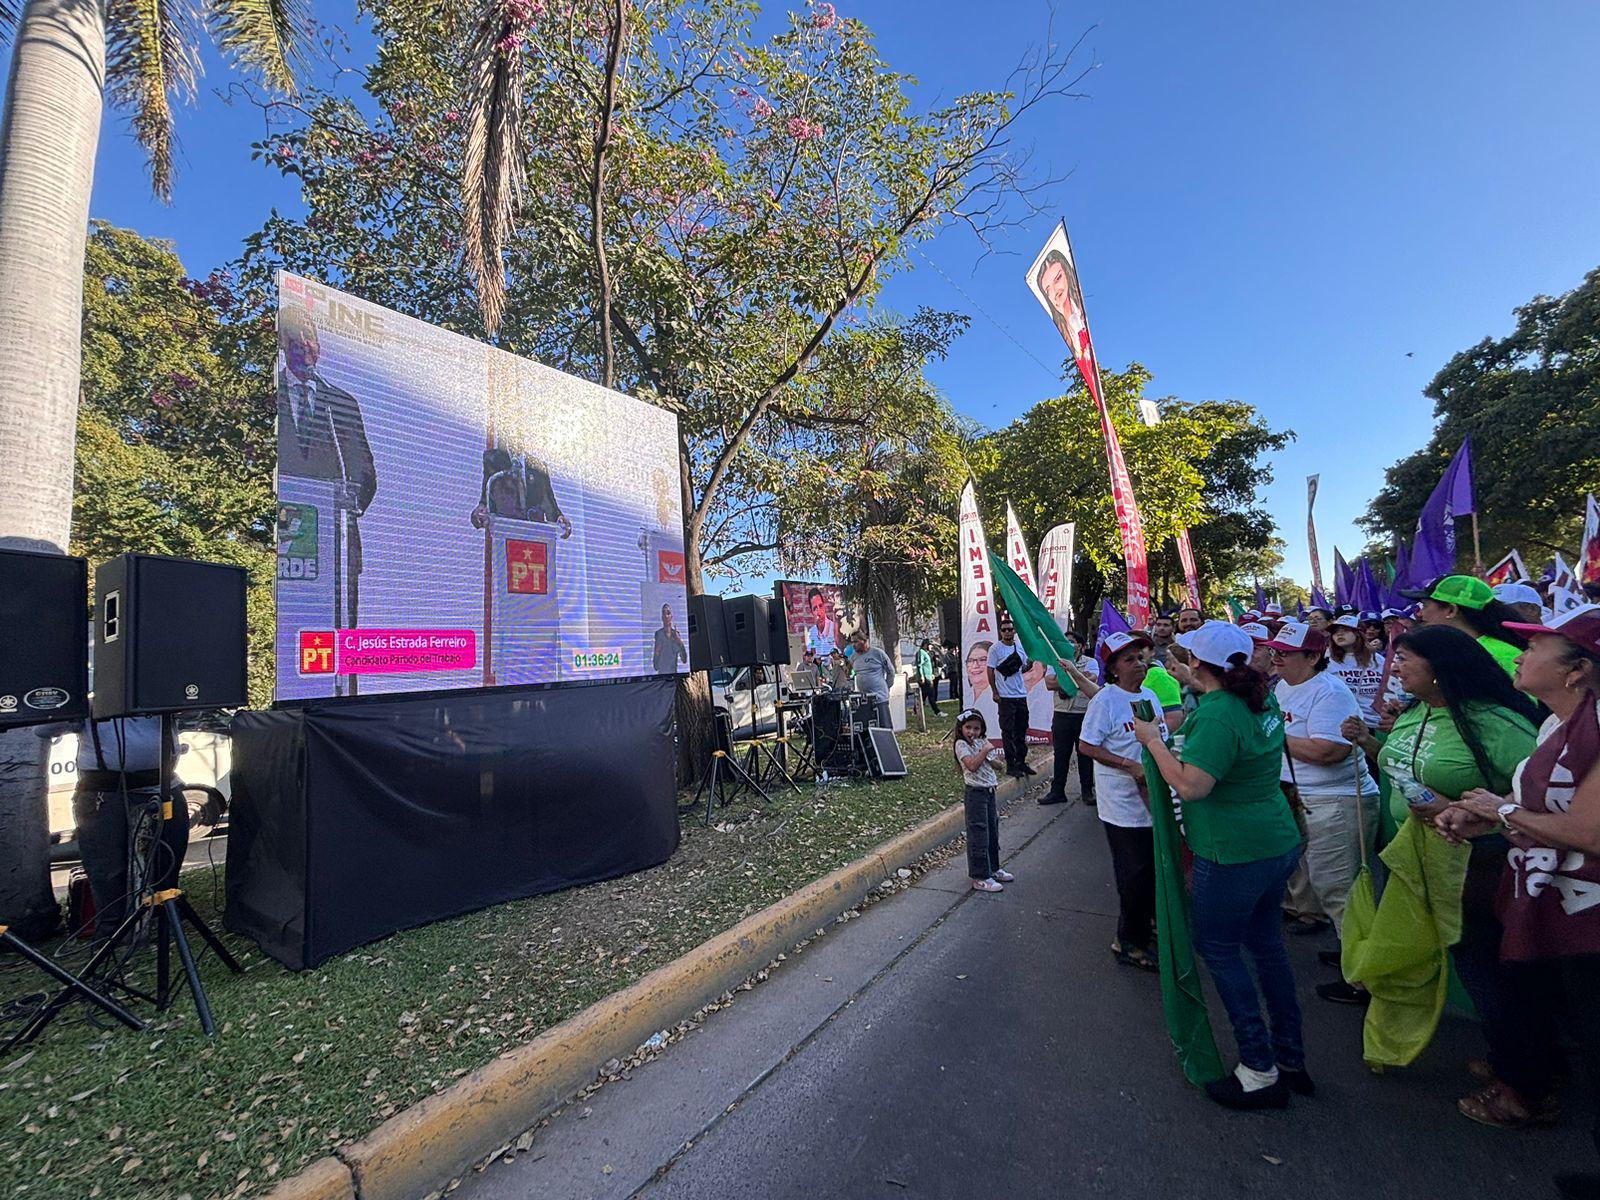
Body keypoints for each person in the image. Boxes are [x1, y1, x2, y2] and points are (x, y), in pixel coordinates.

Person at [1434, 606, 1600, 1181]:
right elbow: (1541, 809)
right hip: (1553, 898)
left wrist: (1498, 809)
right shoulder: (1555, 723)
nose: (1520, 655)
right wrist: (1487, 821)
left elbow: (1588, 831)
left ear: (1577, 670)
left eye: (1536, 649)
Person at [1342, 626, 1539, 1070]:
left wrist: (1473, 809)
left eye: (1407, 658)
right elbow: (1399, 762)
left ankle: (1523, 1075)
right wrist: (1369, 742)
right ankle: (1507, 1054)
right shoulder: (1417, 711)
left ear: (1440, 668)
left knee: (1485, 968)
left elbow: (1542, 795)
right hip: (1411, 859)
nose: (1395, 666)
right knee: (1431, 957)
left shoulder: (1496, 722)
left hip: (1477, 865)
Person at [1133, 621, 1308, 1109]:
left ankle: (1258, 1067)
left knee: (1221, 949)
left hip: (1233, 851)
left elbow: (1191, 786)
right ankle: (1290, 1057)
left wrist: (1153, 741)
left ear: (1196, 664)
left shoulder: (1218, 715)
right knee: (1268, 946)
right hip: (1276, 840)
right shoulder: (1260, 697)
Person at [1267, 622, 1381, 1004]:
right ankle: (1352, 952)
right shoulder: (1285, 686)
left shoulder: (1329, 692)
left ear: (1313, 657)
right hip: (1305, 796)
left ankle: (1365, 981)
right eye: (1275, 651)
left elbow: (1328, 751)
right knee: (1323, 884)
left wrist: (1270, 736)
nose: (1276, 657)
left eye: (1285, 653)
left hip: (1336, 801)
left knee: (1339, 890)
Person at [277, 304, 379, 620]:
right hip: (289, 544)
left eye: (311, 336)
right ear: (282, 343)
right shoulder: (270, 394)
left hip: (338, 542)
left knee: (339, 639)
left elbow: (365, 470)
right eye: (295, 337)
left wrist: (354, 498)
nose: (304, 344)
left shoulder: (342, 403)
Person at [1079, 631, 1165, 969]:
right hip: (1122, 804)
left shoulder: (1150, 697)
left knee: (1150, 868)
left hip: (1153, 798)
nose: (1140, 664)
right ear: (1113, 669)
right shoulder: (1106, 700)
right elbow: (1087, 746)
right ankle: (1129, 943)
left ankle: (1147, 925)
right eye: (1129, 659)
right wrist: (1128, 765)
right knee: (1134, 872)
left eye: (1140, 657)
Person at [1403, 574, 1529, 678]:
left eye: (1425, 606)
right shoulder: (1449, 650)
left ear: (1451, 610)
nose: (1419, 614)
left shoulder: (1502, 655)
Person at [953, 709, 1015, 893]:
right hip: (975, 793)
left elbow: (997, 764)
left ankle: (993, 868)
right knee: (979, 832)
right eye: (968, 727)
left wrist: (993, 756)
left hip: (989, 790)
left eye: (976, 728)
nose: (972, 732)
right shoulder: (961, 745)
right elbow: (971, 765)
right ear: (961, 728)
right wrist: (984, 751)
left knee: (991, 831)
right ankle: (979, 876)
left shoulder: (981, 742)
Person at [1043, 635, 1100, 806]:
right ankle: (1057, 791)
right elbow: (1049, 684)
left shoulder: (1091, 662)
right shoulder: (1056, 661)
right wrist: (1078, 679)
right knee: (1061, 755)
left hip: (1083, 714)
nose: (1069, 644)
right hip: (1061, 714)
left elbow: (1092, 679)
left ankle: (1087, 791)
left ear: (1081, 646)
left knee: (1085, 754)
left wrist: (1064, 679)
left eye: (1072, 641)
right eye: (1065, 641)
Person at [471, 445, 573, 538]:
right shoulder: (493, 460)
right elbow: (485, 500)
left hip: (535, 537)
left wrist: (559, 519)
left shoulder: (538, 466)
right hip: (506, 535)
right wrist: (480, 513)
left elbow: (548, 504)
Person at [987, 614, 1034, 778]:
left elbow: (1022, 668)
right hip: (1005, 696)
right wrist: (994, 691)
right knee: (1008, 731)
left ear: (1014, 631)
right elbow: (990, 670)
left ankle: (1022, 762)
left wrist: (1031, 664)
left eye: (1010, 629)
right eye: (1004, 630)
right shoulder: (995, 649)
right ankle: (1011, 765)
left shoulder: (1019, 647)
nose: (1007, 632)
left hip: (1020, 695)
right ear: (1000, 632)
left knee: (1021, 730)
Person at [1327, 614, 1387, 728]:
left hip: (1377, 723)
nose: (1339, 634)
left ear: (1359, 633)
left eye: (1345, 630)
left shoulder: (1378, 659)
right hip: (1346, 724)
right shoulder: (1327, 660)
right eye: (1335, 632)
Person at [848, 630, 894, 729]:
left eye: (856, 642)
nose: (853, 645)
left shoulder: (878, 653)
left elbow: (891, 671)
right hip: (864, 699)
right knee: (867, 727)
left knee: (884, 726)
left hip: (879, 697)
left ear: (864, 641)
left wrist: (887, 686)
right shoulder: (853, 658)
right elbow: (849, 674)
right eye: (852, 642)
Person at [652, 604, 687, 674]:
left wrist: (679, 641)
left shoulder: (676, 635)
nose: (666, 616)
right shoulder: (659, 634)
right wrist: (657, 652)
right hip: (662, 675)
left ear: (671, 616)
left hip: (674, 675)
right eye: (664, 614)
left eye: (668, 613)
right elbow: (655, 666)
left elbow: (684, 660)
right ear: (662, 617)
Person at [805, 588, 841, 656]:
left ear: (824, 606)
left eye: (821, 606)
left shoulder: (834, 628)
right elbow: (811, 654)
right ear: (812, 612)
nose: (819, 612)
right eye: (815, 608)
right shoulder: (811, 633)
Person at [915, 639, 942, 716]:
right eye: (930, 645)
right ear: (926, 645)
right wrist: (922, 676)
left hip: (929, 676)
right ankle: (937, 712)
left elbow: (929, 666)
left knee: (924, 695)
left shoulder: (927, 653)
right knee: (931, 694)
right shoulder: (921, 652)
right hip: (925, 677)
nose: (931, 647)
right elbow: (920, 665)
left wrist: (932, 674)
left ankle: (915, 710)